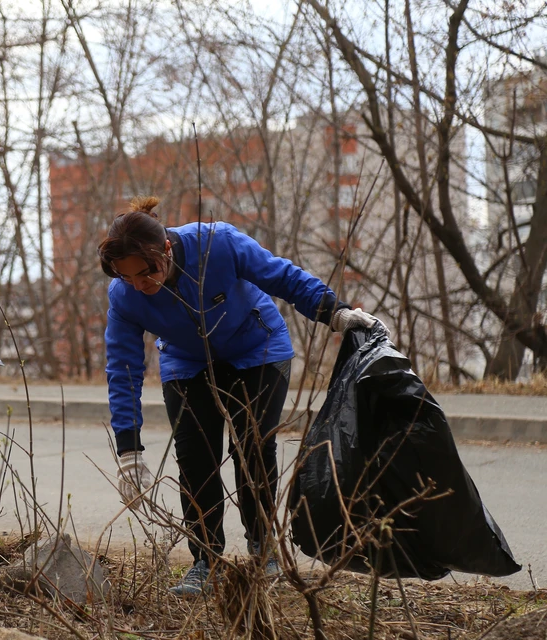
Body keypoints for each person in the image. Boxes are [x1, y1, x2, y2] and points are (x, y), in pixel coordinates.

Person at [100, 196, 381, 596]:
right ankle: (205, 561)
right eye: (127, 278)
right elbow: (123, 368)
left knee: (253, 447)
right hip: (187, 361)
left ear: (165, 249)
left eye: (145, 273)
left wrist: (334, 312)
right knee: (196, 458)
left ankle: (263, 551)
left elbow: (281, 276)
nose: (139, 286)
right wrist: (129, 449)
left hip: (258, 350)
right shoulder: (124, 295)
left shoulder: (219, 244)